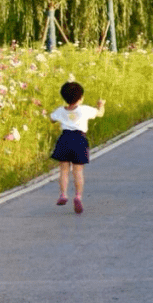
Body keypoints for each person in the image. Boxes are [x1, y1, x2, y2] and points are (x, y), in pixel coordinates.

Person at [49, 81, 106, 214]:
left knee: (63, 169)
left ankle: (63, 194)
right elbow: (100, 114)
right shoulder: (85, 109)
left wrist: (61, 118)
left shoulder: (60, 110)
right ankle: (78, 196)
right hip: (79, 139)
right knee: (78, 170)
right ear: (81, 98)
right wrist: (101, 105)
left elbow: (51, 119)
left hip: (65, 139)